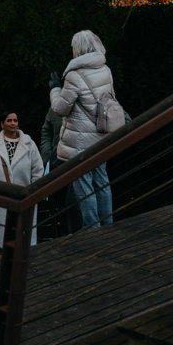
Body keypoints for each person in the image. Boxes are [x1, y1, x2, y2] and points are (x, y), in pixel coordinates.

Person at [50, 29, 117, 229]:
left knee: (85, 187)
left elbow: (60, 108)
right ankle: (108, 226)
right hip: (101, 136)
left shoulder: (74, 75)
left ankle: (93, 230)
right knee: (102, 183)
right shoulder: (105, 69)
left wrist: (54, 88)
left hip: (79, 142)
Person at [0, 111, 45, 248]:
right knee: (1, 237)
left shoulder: (29, 144)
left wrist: (32, 190)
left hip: (25, 195)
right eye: (9, 120)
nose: (13, 123)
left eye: (15, 120)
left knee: (23, 235)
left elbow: (38, 169)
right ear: (2, 124)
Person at [40, 107, 80, 235]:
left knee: (75, 203)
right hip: (57, 164)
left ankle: (80, 236)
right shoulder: (55, 107)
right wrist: (48, 155)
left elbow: (122, 121)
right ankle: (65, 236)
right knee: (61, 205)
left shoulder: (92, 99)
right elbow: (46, 131)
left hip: (81, 163)